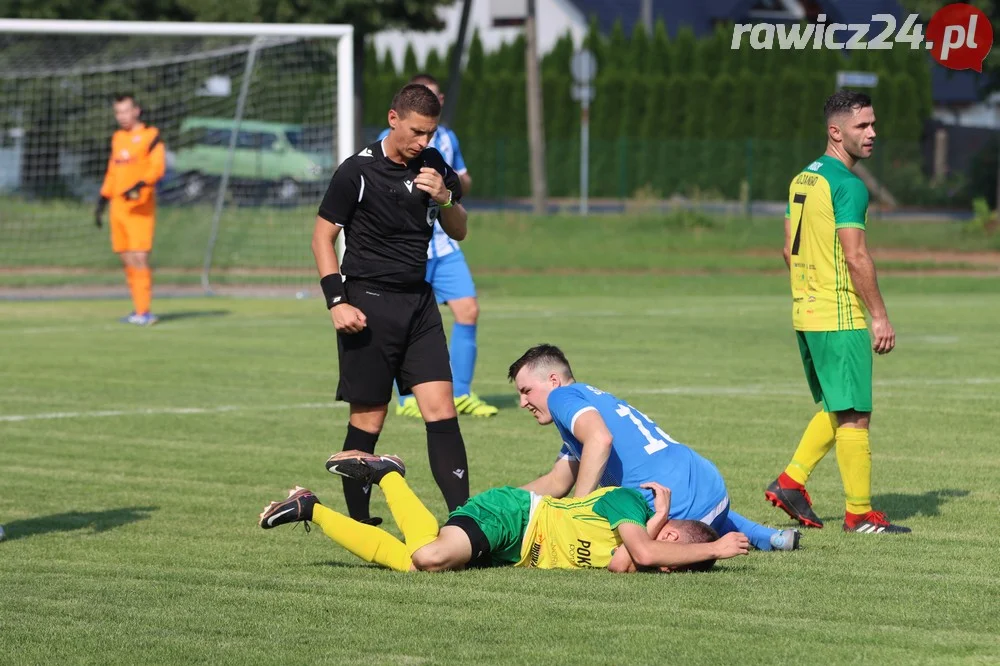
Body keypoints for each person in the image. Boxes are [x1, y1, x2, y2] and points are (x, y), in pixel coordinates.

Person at [311, 83, 472, 525]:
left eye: (431, 134)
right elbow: (322, 237)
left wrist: (446, 197)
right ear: (393, 118)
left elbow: (459, 230)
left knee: (442, 408)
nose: (423, 142)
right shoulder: (355, 172)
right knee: (370, 415)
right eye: (417, 132)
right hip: (368, 304)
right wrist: (336, 302)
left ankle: (464, 521)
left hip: (419, 304)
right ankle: (361, 521)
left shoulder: (435, 164)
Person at [764, 91, 910, 535]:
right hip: (839, 313)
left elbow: (789, 250)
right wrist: (879, 315)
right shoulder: (848, 185)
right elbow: (856, 256)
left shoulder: (802, 179)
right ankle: (860, 514)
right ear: (835, 131)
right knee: (855, 414)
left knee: (836, 404)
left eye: (873, 124)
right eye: (862, 126)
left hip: (806, 313)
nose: (872, 133)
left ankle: (790, 481)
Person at [508, 344, 800, 552]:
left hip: (682, 510)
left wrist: (578, 511)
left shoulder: (562, 398)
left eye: (526, 391)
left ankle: (708, 546)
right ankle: (770, 537)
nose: (523, 403)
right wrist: (502, 501)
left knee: (619, 554)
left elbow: (600, 441)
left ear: (554, 380)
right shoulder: (589, 403)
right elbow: (557, 481)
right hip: (712, 489)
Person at [258, 451, 750, 573]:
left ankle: (313, 508)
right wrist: (719, 548)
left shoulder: (641, 538)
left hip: (512, 548)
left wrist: (659, 527)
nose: (665, 570)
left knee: (415, 560)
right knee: (428, 559)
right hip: (511, 516)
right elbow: (641, 554)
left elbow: (628, 561)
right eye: (675, 560)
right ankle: (386, 475)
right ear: (670, 539)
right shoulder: (627, 501)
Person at [377, 74, 498, 419]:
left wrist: (452, 185)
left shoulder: (447, 138)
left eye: (434, 98)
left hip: (443, 244)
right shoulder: (390, 141)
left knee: (468, 310)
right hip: (407, 246)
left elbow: (461, 181)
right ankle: (408, 397)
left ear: (441, 101)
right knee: (403, 319)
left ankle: (460, 392)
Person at [95, 93, 166, 326]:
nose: (122, 116)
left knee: (139, 257)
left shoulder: (151, 136)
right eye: (118, 112)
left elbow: (157, 168)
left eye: (126, 111)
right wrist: (102, 199)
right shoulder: (117, 138)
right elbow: (113, 170)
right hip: (118, 208)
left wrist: (141, 184)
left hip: (140, 207)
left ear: (137, 111)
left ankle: (145, 311)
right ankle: (137, 310)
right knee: (126, 259)